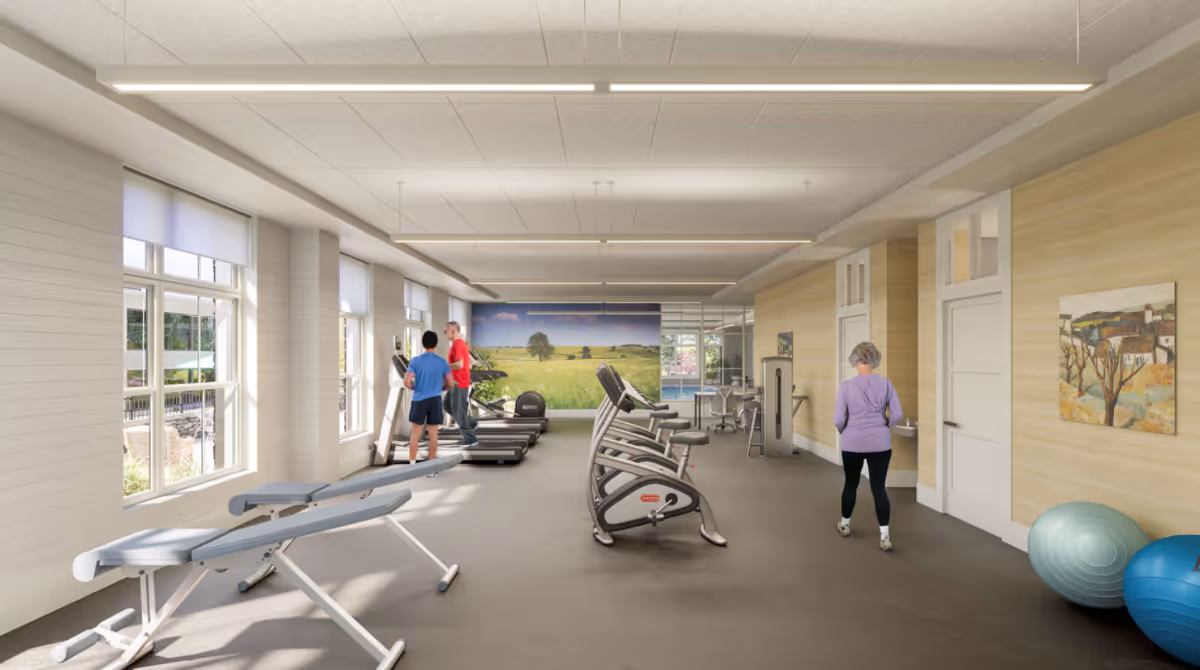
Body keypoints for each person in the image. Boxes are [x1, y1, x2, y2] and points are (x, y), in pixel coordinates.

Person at [833, 341, 903, 552]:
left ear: (855, 361)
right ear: (874, 360)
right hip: (880, 443)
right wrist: (884, 425)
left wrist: (845, 430)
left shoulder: (846, 386)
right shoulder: (886, 384)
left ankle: (844, 524)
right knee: (879, 488)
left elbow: (838, 418)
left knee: (851, 483)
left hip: (852, 442)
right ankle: (885, 536)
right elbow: (897, 414)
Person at [405, 330, 454, 474]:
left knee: (415, 432)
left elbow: (407, 382)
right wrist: (442, 387)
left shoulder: (415, 361)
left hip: (419, 399)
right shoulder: (442, 362)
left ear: (423, 344)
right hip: (434, 399)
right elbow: (451, 384)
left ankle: (412, 467)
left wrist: (415, 387)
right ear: (436, 345)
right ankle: (431, 468)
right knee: (433, 433)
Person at [444, 321, 479, 447]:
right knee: (447, 406)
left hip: (459, 383)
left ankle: (471, 439)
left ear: (453, 331)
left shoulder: (458, 344)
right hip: (455, 382)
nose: (445, 333)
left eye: (446, 331)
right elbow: (469, 360)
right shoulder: (458, 344)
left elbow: (460, 364)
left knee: (458, 413)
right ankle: (472, 422)